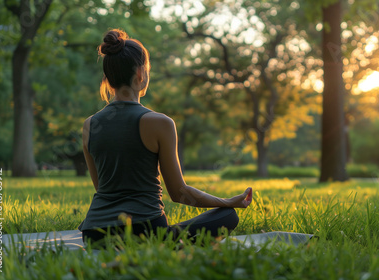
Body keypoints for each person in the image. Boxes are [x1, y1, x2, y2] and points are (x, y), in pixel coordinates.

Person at [78, 29, 252, 246]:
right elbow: (179, 193)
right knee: (227, 216)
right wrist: (228, 202)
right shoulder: (160, 123)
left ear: (108, 78)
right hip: (145, 232)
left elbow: (101, 187)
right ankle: (166, 240)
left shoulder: (89, 125)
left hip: (94, 234)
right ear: (140, 73)